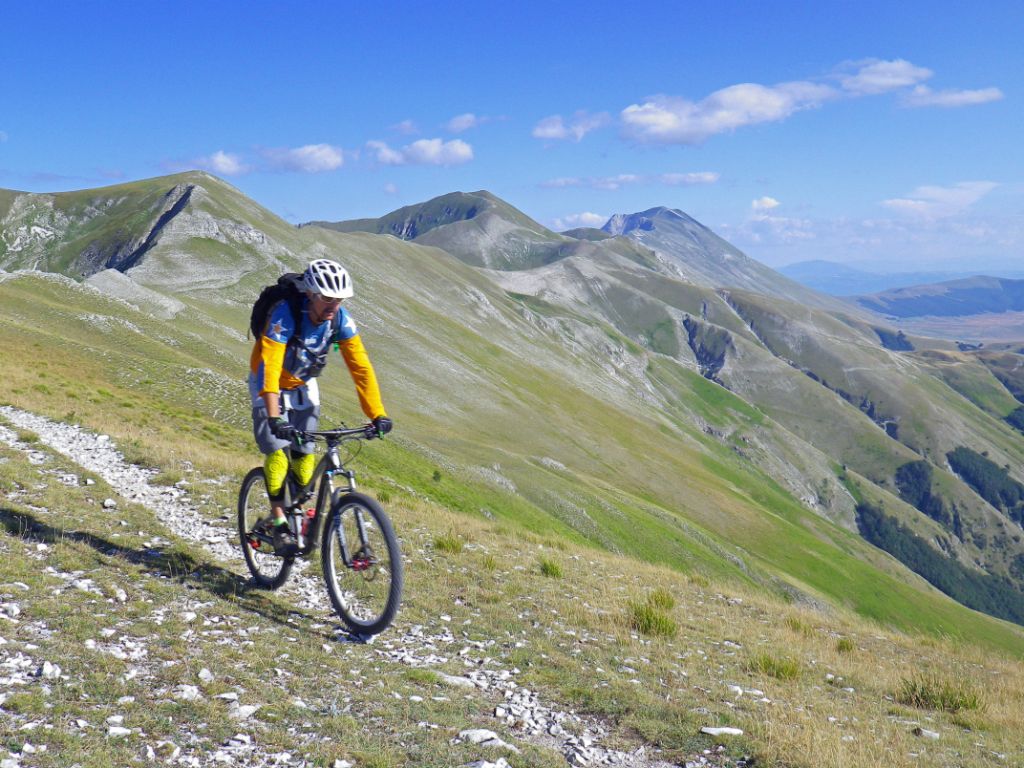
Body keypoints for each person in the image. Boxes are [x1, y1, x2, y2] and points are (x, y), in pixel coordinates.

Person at [248, 258, 392, 554]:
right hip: (267, 383)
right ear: (311, 294)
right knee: (277, 454)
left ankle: (298, 509)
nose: (333, 305)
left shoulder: (339, 320)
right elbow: (271, 367)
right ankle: (279, 525)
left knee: (304, 457)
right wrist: (275, 415)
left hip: (303, 382)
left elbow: (360, 366)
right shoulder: (284, 315)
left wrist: (377, 413)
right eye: (327, 298)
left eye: (338, 299)